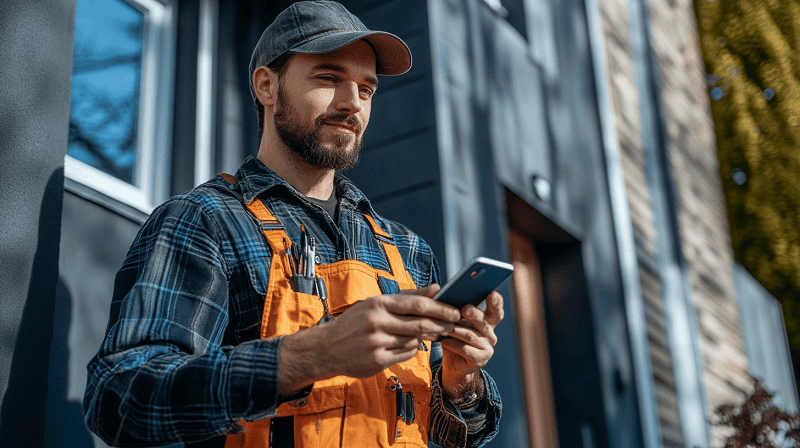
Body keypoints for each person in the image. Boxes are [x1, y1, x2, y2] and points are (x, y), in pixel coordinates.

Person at [83, 2, 503, 447]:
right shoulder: (207, 221)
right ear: (267, 85)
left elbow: (452, 434)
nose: (352, 104)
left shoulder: (407, 251)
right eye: (328, 78)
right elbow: (120, 400)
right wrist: (317, 354)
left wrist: (462, 378)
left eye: (367, 88)